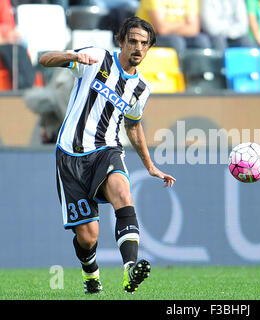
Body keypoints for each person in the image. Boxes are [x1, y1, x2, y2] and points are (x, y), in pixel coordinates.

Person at [38, 16, 176, 294]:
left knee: (123, 194)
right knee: (88, 237)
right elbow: (44, 60)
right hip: (70, 155)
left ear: (149, 48)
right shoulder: (96, 58)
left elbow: (133, 125)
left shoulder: (141, 89)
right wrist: (71, 56)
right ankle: (91, 274)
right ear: (121, 41)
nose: (138, 48)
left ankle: (129, 270)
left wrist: (150, 166)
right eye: (133, 41)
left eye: (144, 44)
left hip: (107, 149)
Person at [136, 0, 211, 57]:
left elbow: (194, 28)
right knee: (176, 42)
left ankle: (200, 76)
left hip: (177, 37)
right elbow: (161, 28)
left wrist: (168, 26)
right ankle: (178, 75)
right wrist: (184, 24)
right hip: (147, 38)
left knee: (201, 41)